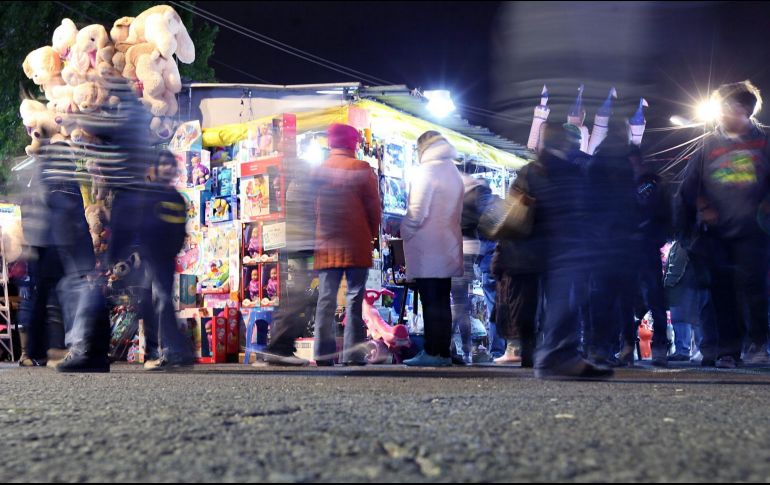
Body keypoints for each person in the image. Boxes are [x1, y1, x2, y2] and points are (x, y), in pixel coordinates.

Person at [677, 80, 770, 368]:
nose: (721, 113)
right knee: (722, 290)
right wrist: (699, 210)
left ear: (744, 110)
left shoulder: (765, 140)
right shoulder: (708, 144)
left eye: (727, 107)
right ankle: (727, 350)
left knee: (754, 287)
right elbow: (688, 186)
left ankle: (757, 342)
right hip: (716, 233)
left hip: (754, 231)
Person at [530, 122, 613, 379]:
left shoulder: (540, 168)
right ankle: (555, 356)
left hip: (553, 246)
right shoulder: (565, 168)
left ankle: (560, 354)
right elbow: (578, 207)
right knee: (566, 301)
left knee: (563, 300)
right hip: (568, 244)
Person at [109, 149, 193, 370]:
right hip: (147, 257)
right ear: (154, 169)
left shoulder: (176, 198)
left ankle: (174, 351)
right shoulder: (147, 196)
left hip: (165, 259)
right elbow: (137, 227)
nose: (167, 168)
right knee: (151, 304)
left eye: (170, 164)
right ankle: (163, 351)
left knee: (162, 301)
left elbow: (179, 230)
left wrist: (172, 250)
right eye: (162, 164)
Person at [312, 123, 381, 366]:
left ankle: (322, 354)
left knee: (326, 299)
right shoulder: (361, 168)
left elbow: (312, 210)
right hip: (356, 243)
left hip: (326, 244)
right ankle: (353, 355)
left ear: (331, 142)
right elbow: (374, 209)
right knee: (354, 299)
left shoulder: (319, 171)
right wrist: (371, 236)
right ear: (352, 143)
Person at [402, 131, 464, 367]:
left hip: (428, 247)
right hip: (448, 244)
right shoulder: (452, 171)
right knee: (441, 300)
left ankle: (432, 351)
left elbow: (417, 212)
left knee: (430, 300)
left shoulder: (427, 172)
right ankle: (443, 352)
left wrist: (405, 231)